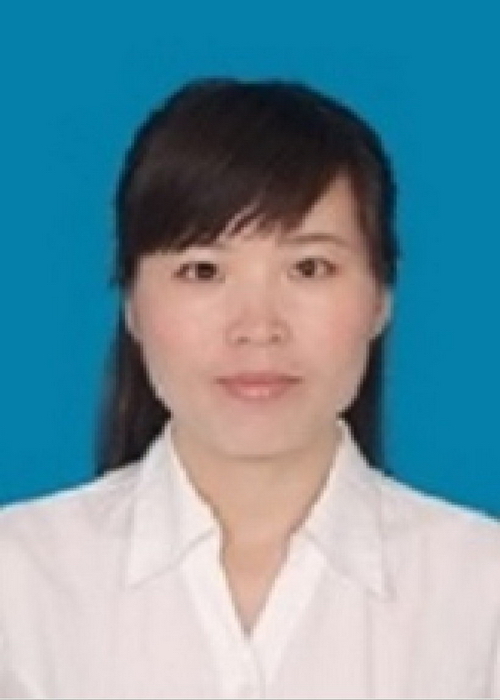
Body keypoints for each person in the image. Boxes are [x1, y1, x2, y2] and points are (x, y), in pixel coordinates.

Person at [1, 77, 499, 700]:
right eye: (203, 270)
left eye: (309, 268)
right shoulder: (18, 584)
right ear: (131, 304)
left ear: (380, 299)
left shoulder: (481, 593)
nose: (258, 327)